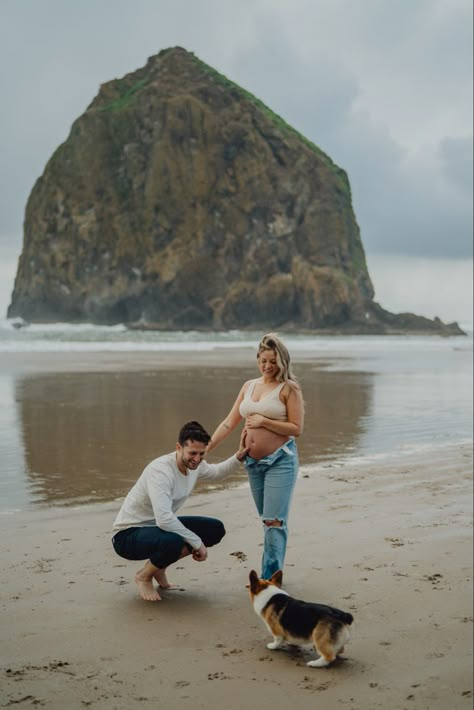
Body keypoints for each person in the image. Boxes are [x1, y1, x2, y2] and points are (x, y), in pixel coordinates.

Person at [112, 420, 248, 601]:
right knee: (174, 541)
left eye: (201, 454)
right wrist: (197, 542)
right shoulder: (161, 471)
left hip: (157, 529)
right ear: (178, 447)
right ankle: (144, 576)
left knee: (214, 529)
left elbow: (217, 473)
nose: (197, 459)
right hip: (128, 536)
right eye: (192, 453)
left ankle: (159, 567)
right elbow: (164, 519)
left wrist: (239, 456)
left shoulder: (195, 466)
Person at [207, 333, 304, 580]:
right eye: (263, 360)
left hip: (280, 461)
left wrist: (264, 421)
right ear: (257, 359)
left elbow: (296, 429)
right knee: (267, 520)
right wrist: (207, 448)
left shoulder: (289, 388)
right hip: (252, 463)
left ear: (282, 361)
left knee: (274, 522)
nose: (267, 366)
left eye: (272, 361)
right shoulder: (249, 386)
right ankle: (272, 572)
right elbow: (229, 423)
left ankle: (269, 580)